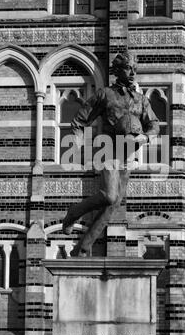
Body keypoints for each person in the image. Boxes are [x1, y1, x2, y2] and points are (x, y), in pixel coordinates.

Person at [62, 51, 160, 256]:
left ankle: (82, 248)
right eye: (128, 68)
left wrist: (146, 137)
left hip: (128, 154)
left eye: (135, 68)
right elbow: (80, 120)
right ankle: (74, 212)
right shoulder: (105, 94)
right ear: (118, 70)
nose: (132, 72)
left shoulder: (141, 100)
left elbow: (153, 125)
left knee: (113, 205)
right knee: (109, 195)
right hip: (108, 150)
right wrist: (78, 145)